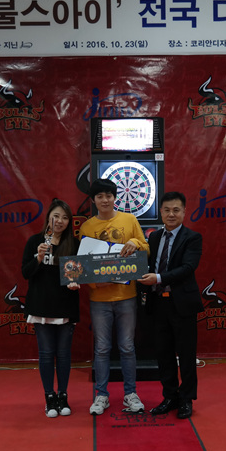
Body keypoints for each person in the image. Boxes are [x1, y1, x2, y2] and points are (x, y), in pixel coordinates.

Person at [80, 178, 149, 415]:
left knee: (127, 347)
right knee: (101, 349)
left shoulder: (129, 220)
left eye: (108, 195)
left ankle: (130, 393)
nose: (105, 200)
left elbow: (146, 248)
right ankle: (101, 395)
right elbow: (82, 266)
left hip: (126, 295)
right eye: (100, 196)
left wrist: (135, 242)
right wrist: (95, 283)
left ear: (115, 197)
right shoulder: (87, 227)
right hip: (99, 299)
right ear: (93, 200)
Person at [138, 191, 204, 419]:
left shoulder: (192, 238)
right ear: (161, 212)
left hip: (182, 304)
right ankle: (170, 397)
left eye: (176, 210)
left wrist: (157, 278)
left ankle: (186, 399)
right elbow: (148, 264)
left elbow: (187, 268)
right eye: (166, 210)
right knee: (163, 355)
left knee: (186, 355)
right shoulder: (154, 237)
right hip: (158, 304)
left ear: (184, 212)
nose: (171, 214)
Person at [21, 199, 81, 418]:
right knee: (46, 354)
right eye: (56, 216)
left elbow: (75, 274)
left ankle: (63, 395)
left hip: (65, 306)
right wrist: (38, 257)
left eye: (65, 218)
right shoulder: (35, 241)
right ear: (48, 218)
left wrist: (75, 282)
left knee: (64, 355)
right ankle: (49, 396)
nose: (60, 221)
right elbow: (26, 273)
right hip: (41, 306)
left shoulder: (73, 244)